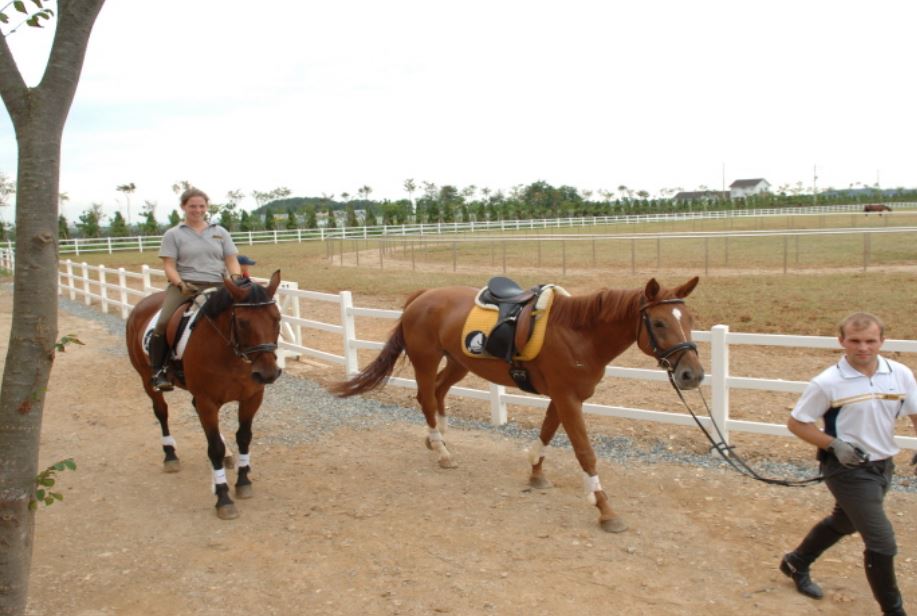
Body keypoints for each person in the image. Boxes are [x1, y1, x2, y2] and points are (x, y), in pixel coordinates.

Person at [780, 312, 917, 616]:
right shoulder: (827, 383)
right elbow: (797, 423)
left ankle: (796, 562)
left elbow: (914, 411)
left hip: (883, 465)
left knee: (846, 521)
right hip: (846, 469)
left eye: (870, 340)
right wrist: (835, 445)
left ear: (883, 341)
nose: (863, 348)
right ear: (841, 341)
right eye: (854, 341)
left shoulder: (900, 374)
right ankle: (894, 612)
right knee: (882, 541)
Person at [149, 187, 242, 391]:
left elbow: (231, 260)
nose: (197, 210)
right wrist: (180, 284)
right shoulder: (173, 234)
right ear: (183, 207)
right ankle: (158, 371)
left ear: (207, 207)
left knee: (244, 317)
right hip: (185, 285)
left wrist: (235, 279)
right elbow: (169, 265)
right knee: (164, 322)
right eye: (192, 206)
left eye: (201, 206)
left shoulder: (220, 232)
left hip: (218, 285)